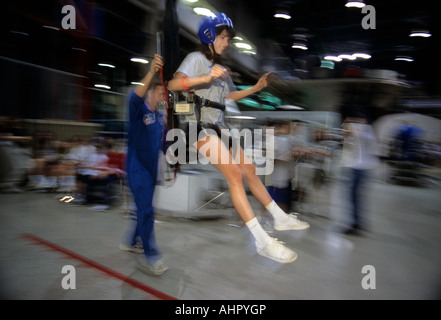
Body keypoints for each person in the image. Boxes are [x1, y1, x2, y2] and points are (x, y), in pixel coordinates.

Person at [167, 13, 309, 264]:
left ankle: (280, 216)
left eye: (228, 39)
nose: (227, 43)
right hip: (198, 127)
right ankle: (262, 241)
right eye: (223, 38)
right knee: (234, 174)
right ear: (209, 36)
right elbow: (173, 84)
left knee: (250, 169)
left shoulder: (221, 70)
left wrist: (256, 87)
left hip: (220, 127)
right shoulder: (196, 59)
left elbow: (229, 97)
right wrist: (206, 77)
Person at [122, 53, 168, 275]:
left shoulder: (160, 117)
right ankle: (151, 254)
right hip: (136, 168)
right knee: (147, 211)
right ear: (151, 92)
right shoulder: (139, 111)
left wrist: (172, 160)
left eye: (165, 94)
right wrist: (151, 72)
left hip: (151, 171)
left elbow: (163, 143)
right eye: (160, 92)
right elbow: (134, 96)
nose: (163, 97)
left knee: (143, 209)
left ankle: (131, 241)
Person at [339, 106, 379, 235]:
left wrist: (347, 122)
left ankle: (356, 224)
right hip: (365, 168)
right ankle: (358, 223)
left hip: (358, 168)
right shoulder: (370, 130)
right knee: (358, 197)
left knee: (353, 197)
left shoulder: (359, 128)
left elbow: (346, 133)